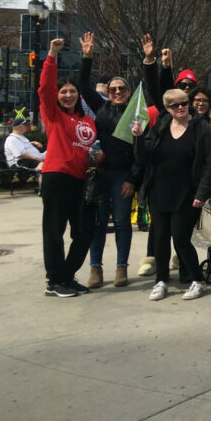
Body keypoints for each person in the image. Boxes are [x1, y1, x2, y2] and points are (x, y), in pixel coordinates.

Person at [132, 88, 211, 302]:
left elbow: (210, 162)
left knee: (180, 238)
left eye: (183, 103)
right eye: (174, 105)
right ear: (167, 108)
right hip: (159, 191)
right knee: (160, 239)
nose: (180, 107)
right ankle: (161, 281)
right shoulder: (161, 125)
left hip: (188, 193)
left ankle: (197, 280)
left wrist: (202, 192)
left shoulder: (201, 127)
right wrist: (138, 137)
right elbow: (144, 156)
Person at [38, 38, 100, 298]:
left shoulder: (87, 119)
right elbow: (44, 89)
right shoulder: (54, 115)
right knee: (54, 231)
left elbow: (90, 148)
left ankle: (66, 275)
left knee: (85, 232)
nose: (67, 95)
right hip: (56, 176)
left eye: (72, 91)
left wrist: (99, 157)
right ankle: (54, 280)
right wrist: (52, 54)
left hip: (81, 181)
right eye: (63, 91)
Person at [78, 32, 139, 289]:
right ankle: (95, 268)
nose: (116, 92)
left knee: (124, 223)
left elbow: (142, 151)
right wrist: (87, 56)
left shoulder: (137, 112)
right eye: (113, 89)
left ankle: (121, 268)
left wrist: (133, 180)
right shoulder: (100, 107)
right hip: (101, 175)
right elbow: (83, 85)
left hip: (124, 175)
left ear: (128, 92)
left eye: (121, 89)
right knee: (98, 223)